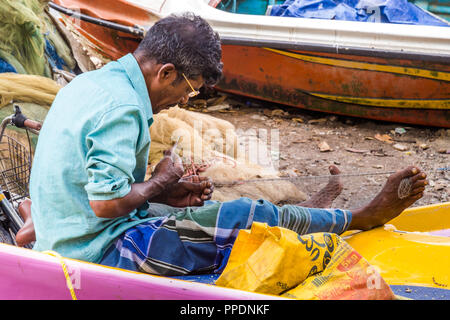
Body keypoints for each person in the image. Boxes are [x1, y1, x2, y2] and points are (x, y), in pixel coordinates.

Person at [28, 13, 428, 276]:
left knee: (225, 214)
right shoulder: (122, 107)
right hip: (98, 254)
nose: (186, 101)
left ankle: (312, 218)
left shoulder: (94, 84)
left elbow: (96, 187)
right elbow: (103, 203)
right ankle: (358, 219)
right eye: (189, 89)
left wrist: (164, 191)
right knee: (241, 218)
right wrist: (155, 184)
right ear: (165, 72)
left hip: (74, 235)